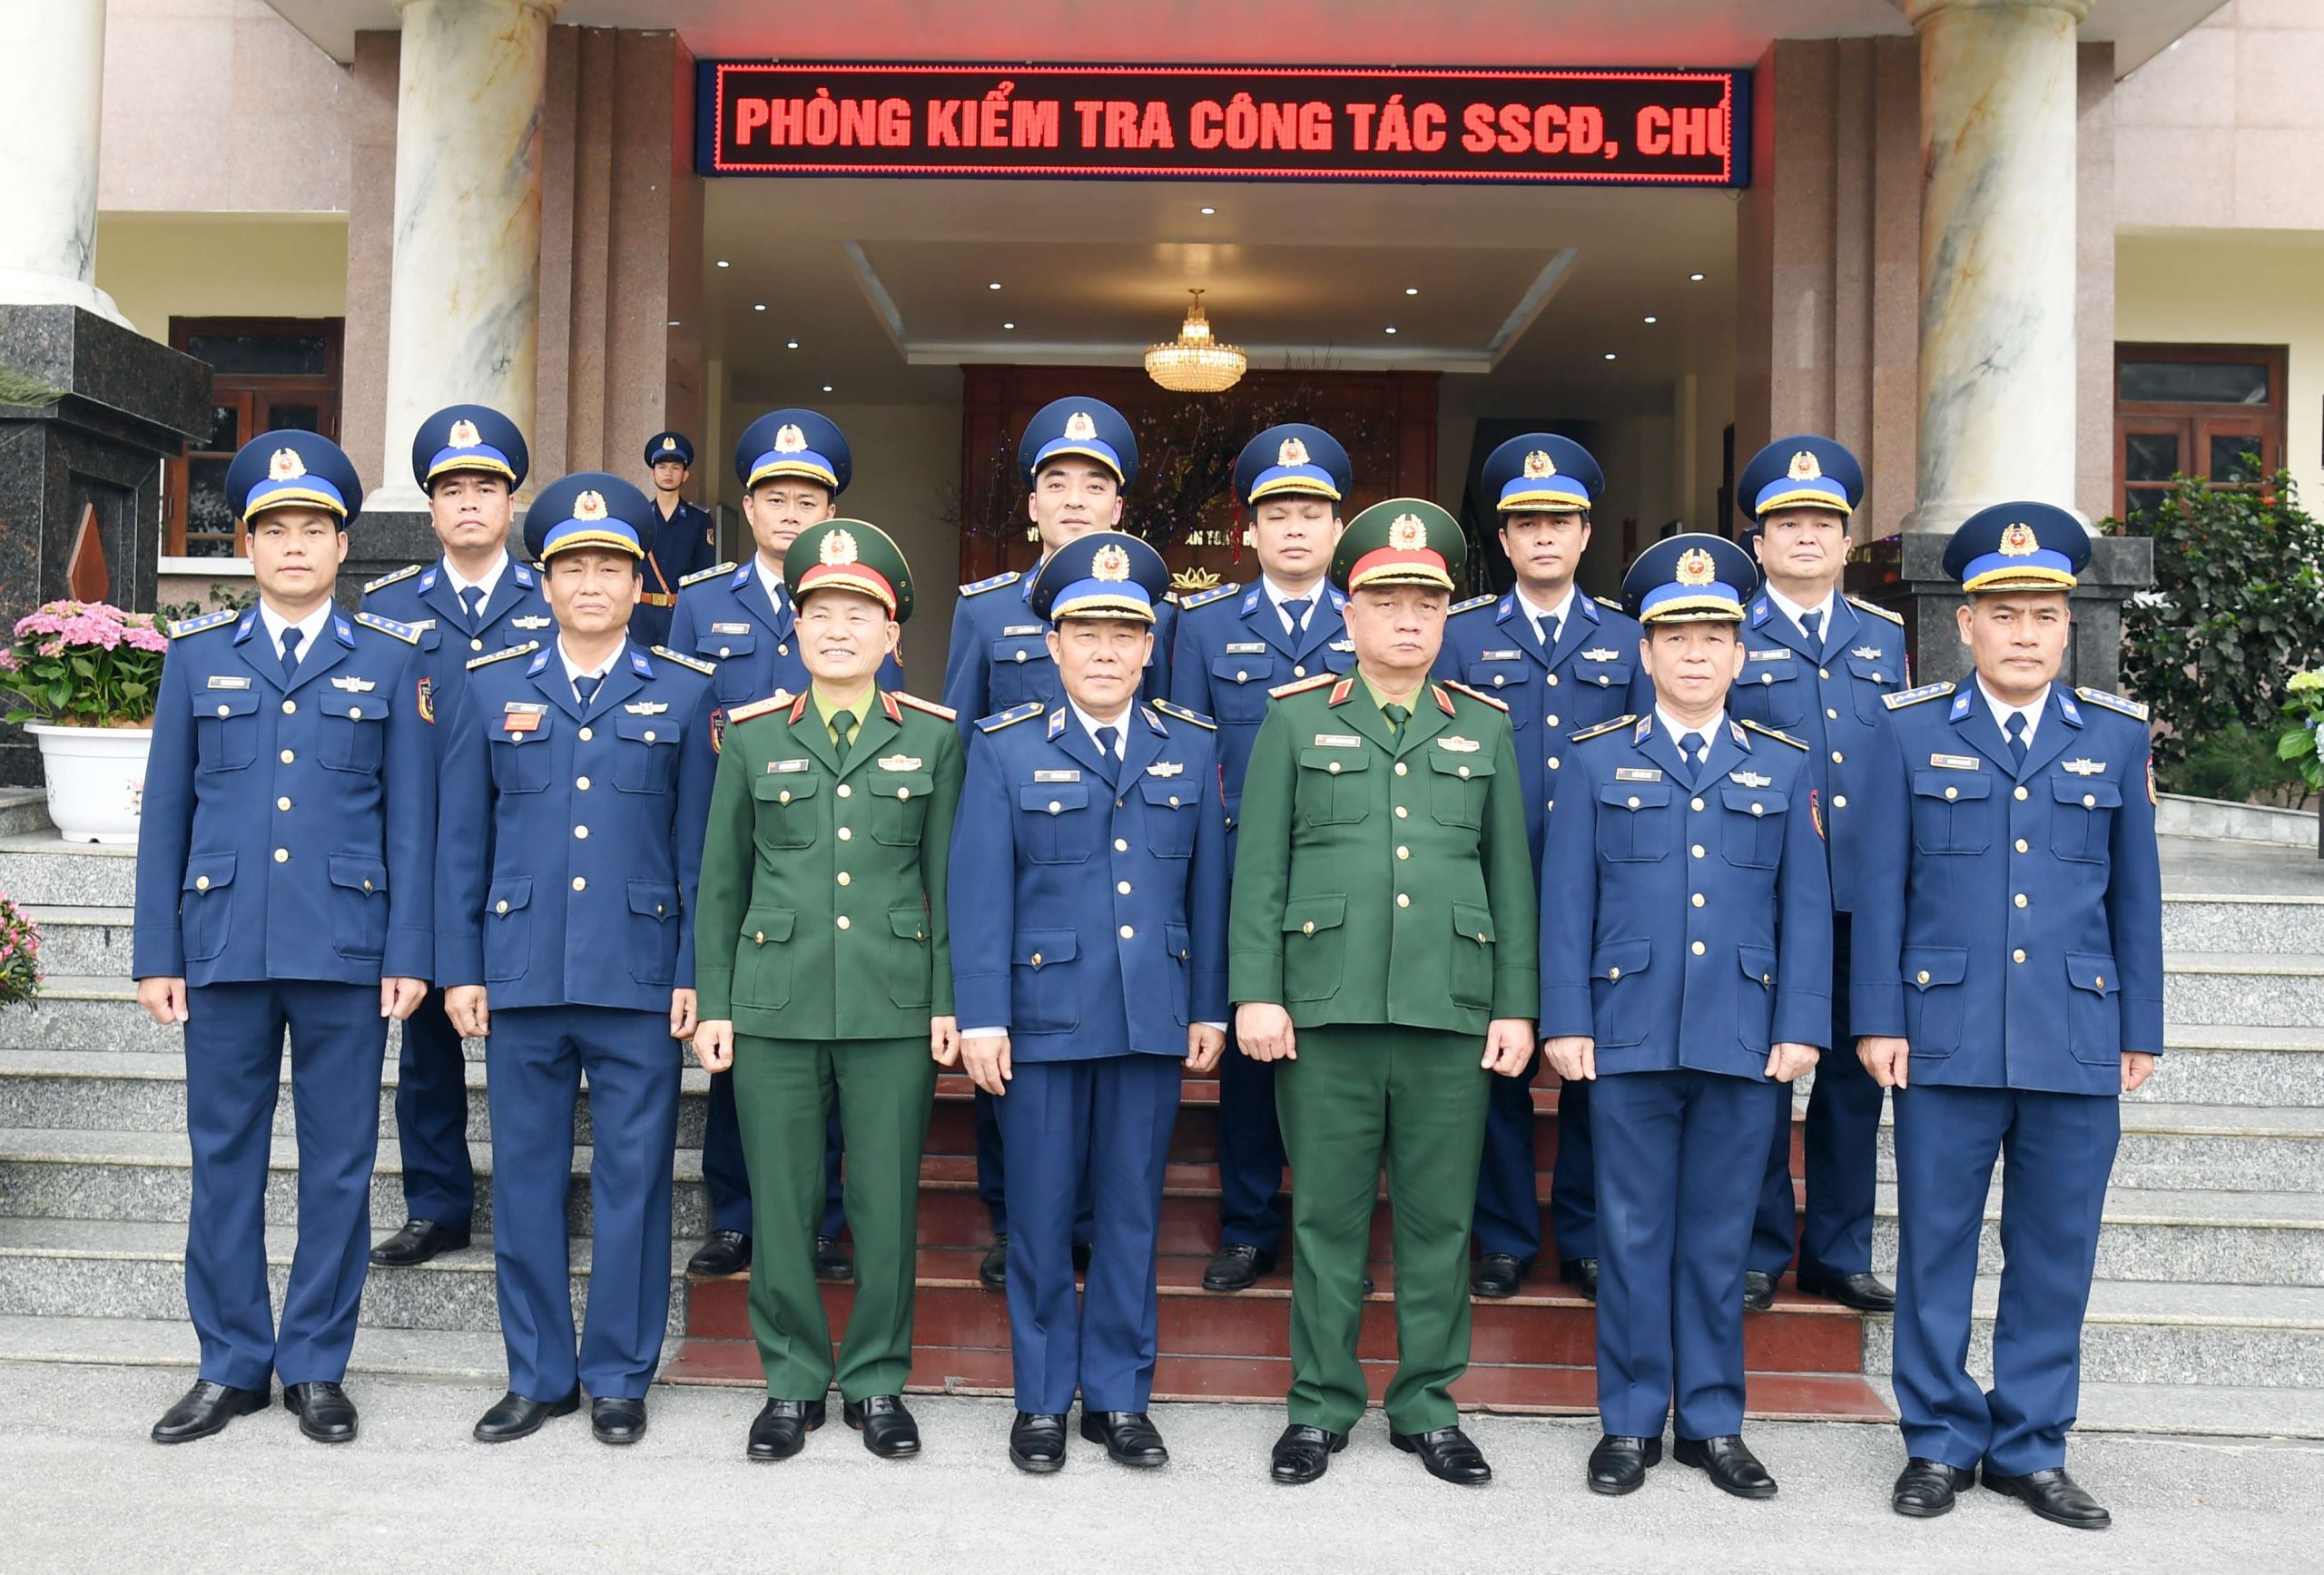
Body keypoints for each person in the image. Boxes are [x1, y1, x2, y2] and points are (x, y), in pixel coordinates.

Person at [1850, 504, 2162, 1530]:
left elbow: (2135, 897)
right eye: (2004, 614)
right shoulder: (1908, 731)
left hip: (2073, 1033)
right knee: (1935, 1246)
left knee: (2055, 1251)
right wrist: (1878, 1018)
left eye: (2043, 615)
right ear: (1966, 625)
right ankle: (1938, 1439)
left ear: (2067, 627)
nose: (2025, 633)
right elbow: (1881, 891)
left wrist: (2139, 1027)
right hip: (1942, 1033)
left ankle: (2032, 1444)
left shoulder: (2112, 736)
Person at [134, 431, 433, 1445]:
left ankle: (313, 1363)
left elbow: (411, 821)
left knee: (339, 1164)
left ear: (343, 545)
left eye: (313, 529)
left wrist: (410, 950)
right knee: (223, 1157)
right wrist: (157, 951)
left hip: (348, 948)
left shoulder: (389, 659)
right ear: (249, 545)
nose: (294, 546)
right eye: (275, 530)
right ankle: (229, 1363)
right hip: (222, 944)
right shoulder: (197, 657)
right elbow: (166, 815)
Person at [1233, 499, 1538, 1489]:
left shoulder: (1483, 726)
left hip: (1450, 1008)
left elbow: (1508, 875)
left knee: (1439, 1223)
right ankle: (1319, 1404)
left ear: (1446, 616)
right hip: (1324, 1010)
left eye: (1426, 604)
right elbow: (1261, 868)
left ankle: (1426, 1405)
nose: (1408, 620)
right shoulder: (1295, 718)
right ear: (1349, 613)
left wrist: (1515, 1004)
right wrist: (1257, 992)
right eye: (1387, 602)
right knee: (1324, 1217)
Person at [1539, 533, 1831, 1501]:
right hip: (1625, 1033)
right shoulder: (1595, 762)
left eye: (1713, 638)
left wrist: (1800, 1023)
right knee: (1627, 1235)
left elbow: (1802, 909)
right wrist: (1565, 1018)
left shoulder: (1781, 767)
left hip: (1742, 1035)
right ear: (1646, 652)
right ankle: (1629, 1421)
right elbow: (1567, 903)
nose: (1695, 654)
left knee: (1718, 1237)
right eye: (1676, 637)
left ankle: (1712, 1420)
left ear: (1741, 655)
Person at [435, 472, 717, 1446]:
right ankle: (539, 1373)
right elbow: (462, 843)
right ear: (545, 582)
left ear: (640, 584)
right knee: (524, 1179)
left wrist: (694, 969)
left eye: (610, 567)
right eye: (572, 567)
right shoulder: (490, 685)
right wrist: (461, 967)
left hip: (639, 975)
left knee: (635, 1181)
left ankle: (619, 1375)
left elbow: (698, 854)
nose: (591, 583)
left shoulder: (684, 691)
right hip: (521, 971)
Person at [947, 531, 1228, 1474]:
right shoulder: (1005, 747)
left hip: (1149, 1017)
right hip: (1040, 1021)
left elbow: (1208, 890)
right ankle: (1039, 1400)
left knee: (1130, 1216)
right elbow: (978, 891)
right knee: (1037, 1214)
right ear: (1053, 644)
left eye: (1123, 634)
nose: (1105, 651)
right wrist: (982, 1015)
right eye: (1086, 633)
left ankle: (1118, 1398)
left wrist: (1209, 1006)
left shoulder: (1188, 745)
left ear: (1149, 647)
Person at [688, 518, 961, 1462]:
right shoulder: (754, 737)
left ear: (892, 635)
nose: (837, 630)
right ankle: (793, 1380)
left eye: (858, 615)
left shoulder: (933, 739)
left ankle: (878, 1378)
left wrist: (946, 1000)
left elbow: (946, 884)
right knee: (782, 1200)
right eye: (820, 614)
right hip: (776, 1001)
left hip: (892, 1003)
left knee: (884, 1202)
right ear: (795, 629)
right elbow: (722, 882)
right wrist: (715, 1002)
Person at [940, 397, 1176, 1290]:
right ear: (1032, 502)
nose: (1075, 499)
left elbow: (1169, 736)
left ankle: (1086, 1227)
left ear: (1118, 505)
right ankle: (1015, 1220)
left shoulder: (1156, 614)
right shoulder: (985, 612)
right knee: (1011, 1068)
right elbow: (958, 752)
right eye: (1057, 483)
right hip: (1021, 877)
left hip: (1117, 879)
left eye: (1094, 485)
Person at [668, 409, 901, 1285]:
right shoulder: (701, 602)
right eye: (776, 498)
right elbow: (686, 729)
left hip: (832, 860)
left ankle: (826, 1222)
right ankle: (736, 1216)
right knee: (743, 1057)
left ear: (831, 511)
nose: (791, 512)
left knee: (832, 1045)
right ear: (750, 507)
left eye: (808, 499)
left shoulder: (866, 601)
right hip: (735, 846)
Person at [1435, 432, 1649, 1302]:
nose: (1544, 536)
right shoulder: (1461, 635)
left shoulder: (1631, 637)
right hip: (1492, 882)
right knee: (1497, 1068)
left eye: (1560, 521)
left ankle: (1587, 1235)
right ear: (1504, 537)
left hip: (1607, 889)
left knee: (1595, 1069)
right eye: (1527, 524)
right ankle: (1505, 1235)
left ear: (1586, 533)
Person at [362, 403, 554, 1272]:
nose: (469, 502)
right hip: (426, 847)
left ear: (511, 502)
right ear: (431, 507)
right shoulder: (390, 607)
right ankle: (436, 1202)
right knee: (428, 1038)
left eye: (485, 487)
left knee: (531, 1037)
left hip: (528, 846)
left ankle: (531, 1198)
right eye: (452, 490)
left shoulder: (551, 596)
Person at [1170, 423, 1355, 1294]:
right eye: (1276, 514)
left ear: (1337, 527)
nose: (1294, 528)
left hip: (1347, 873)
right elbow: (1184, 756)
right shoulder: (1206, 626)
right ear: (1248, 530)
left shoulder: (1369, 618)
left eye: (1311, 513)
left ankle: (1330, 1229)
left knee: (1337, 1060)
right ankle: (1247, 1226)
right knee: (1250, 1057)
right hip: (1243, 874)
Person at [1727, 437, 1906, 1314]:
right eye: (1788, 523)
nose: (1806, 536)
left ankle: (1839, 1251)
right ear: (1759, 544)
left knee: (1850, 1080)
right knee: (1762, 1079)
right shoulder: (1728, 633)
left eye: (1823, 523)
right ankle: (1760, 1248)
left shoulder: (1885, 637)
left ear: (1846, 543)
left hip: (1857, 899)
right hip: (1759, 896)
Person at [632, 429, 720, 647]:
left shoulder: (699, 519)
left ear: (685, 474)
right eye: (661, 467)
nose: (668, 473)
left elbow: (704, 573)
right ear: (652, 473)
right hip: (641, 613)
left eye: (675, 467)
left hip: (681, 613)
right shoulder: (639, 517)